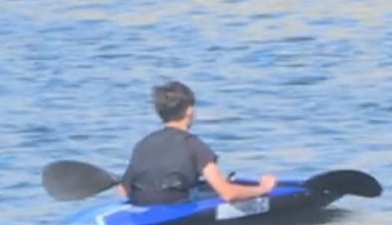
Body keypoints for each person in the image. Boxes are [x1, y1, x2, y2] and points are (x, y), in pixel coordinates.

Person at [118, 80, 276, 205]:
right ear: (189, 111)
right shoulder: (193, 145)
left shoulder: (143, 144)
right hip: (177, 217)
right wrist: (263, 188)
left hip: (143, 210)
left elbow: (123, 190)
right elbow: (228, 194)